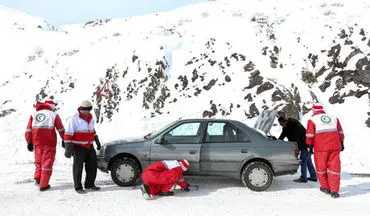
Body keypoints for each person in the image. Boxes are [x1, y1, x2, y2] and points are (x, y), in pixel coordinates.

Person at [306, 104, 344, 198]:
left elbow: (310, 134)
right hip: (335, 146)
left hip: (321, 148)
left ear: (314, 110)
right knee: (334, 169)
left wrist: (309, 146)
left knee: (321, 169)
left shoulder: (312, 120)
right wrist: (342, 142)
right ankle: (334, 191)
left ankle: (325, 187)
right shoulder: (334, 118)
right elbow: (340, 132)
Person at [25, 100, 65, 191]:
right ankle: (44, 185)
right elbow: (61, 128)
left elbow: (28, 130)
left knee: (38, 162)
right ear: (52, 106)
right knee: (47, 164)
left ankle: (38, 179)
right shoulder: (53, 115)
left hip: (37, 143)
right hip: (49, 143)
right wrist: (64, 139)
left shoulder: (34, 114)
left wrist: (29, 142)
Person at [64, 100, 102, 194]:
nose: (88, 112)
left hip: (89, 145)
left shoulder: (90, 118)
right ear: (81, 109)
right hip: (78, 147)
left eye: (89, 109)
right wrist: (68, 149)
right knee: (78, 167)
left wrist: (97, 141)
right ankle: (78, 187)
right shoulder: (74, 119)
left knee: (92, 165)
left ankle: (89, 184)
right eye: (85, 110)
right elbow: (68, 135)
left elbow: (92, 131)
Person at [278, 116, 317, 183]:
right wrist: (277, 141)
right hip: (306, 145)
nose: (281, 125)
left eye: (281, 123)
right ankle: (313, 176)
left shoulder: (293, 124)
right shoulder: (288, 126)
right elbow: (283, 136)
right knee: (308, 161)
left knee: (303, 161)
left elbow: (290, 134)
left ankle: (303, 178)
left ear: (284, 121)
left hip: (306, 145)